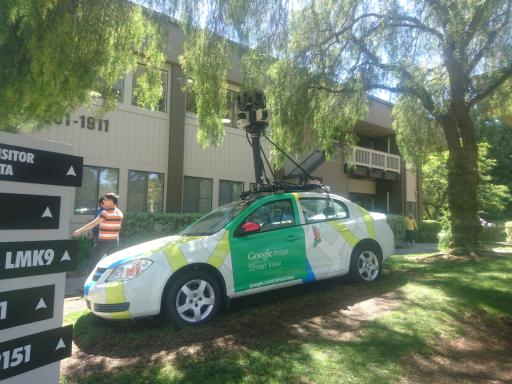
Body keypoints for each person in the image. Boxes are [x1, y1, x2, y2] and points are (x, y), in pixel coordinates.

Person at [72, 192, 123, 273]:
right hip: (115, 242)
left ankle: (88, 284)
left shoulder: (105, 213)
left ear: (111, 201)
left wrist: (80, 230)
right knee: (112, 265)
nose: (103, 202)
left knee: (93, 265)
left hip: (103, 243)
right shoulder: (120, 213)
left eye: (105, 200)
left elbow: (94, 223)